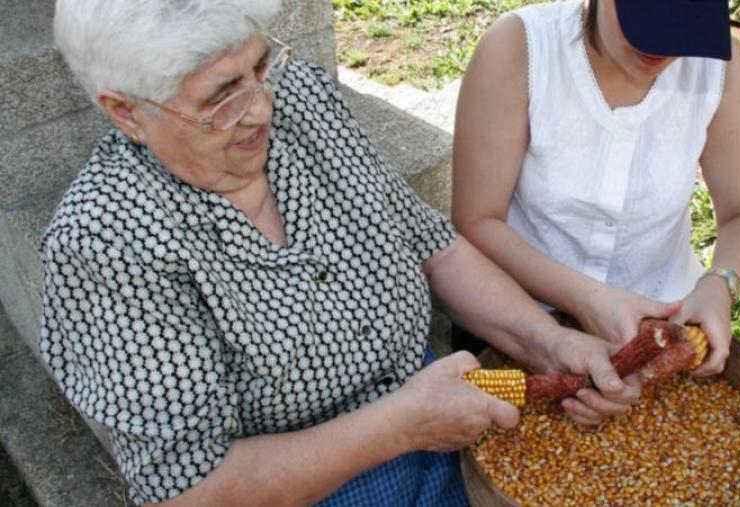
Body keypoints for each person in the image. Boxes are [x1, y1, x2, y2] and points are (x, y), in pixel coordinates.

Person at [42, 1, 640, 505]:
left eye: (258, 64)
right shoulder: (105, 243)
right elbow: (186, 489)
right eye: (221, 96)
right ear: (126, 111)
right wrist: (402, 426)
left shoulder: (298, 96)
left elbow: (435, 248)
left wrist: (549, 342)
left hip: (445, 426)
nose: (260, 107)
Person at [452, 0, 740, 375]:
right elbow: (477, 220)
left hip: (657, 331)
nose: (662, 49)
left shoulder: (719, 67)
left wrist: (720, 284)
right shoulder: (520, 48)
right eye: (645, 22)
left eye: (684, 25)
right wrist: (588, 300)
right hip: (519, 321)